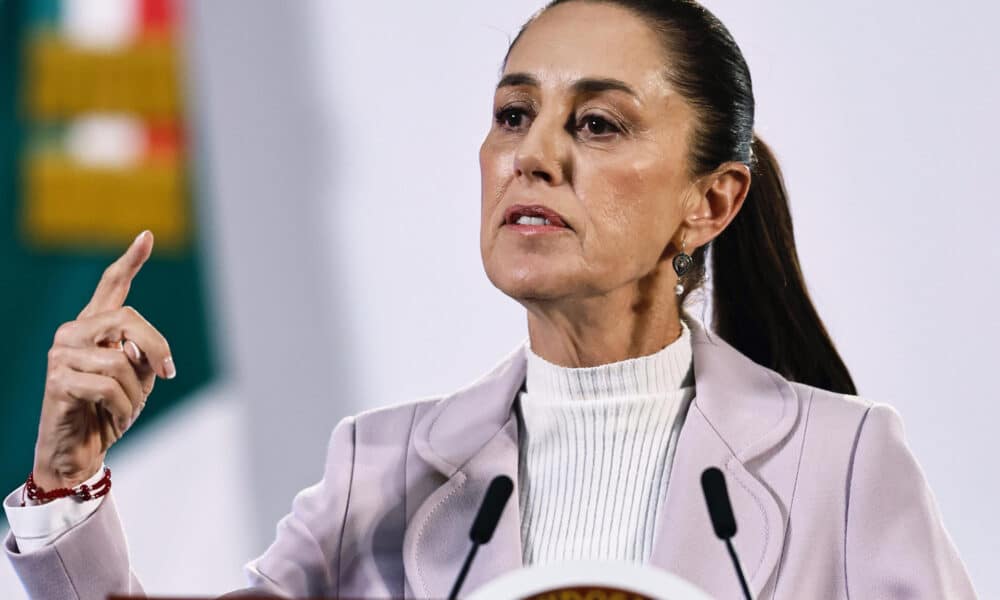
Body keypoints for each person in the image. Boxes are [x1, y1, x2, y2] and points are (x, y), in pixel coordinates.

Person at [4, 1, 977, 598]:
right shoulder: (378, 472)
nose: (533, 153)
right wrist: (66, 487)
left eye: (596, 123)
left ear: (709, 201)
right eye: (514, 114)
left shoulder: (843, 467)